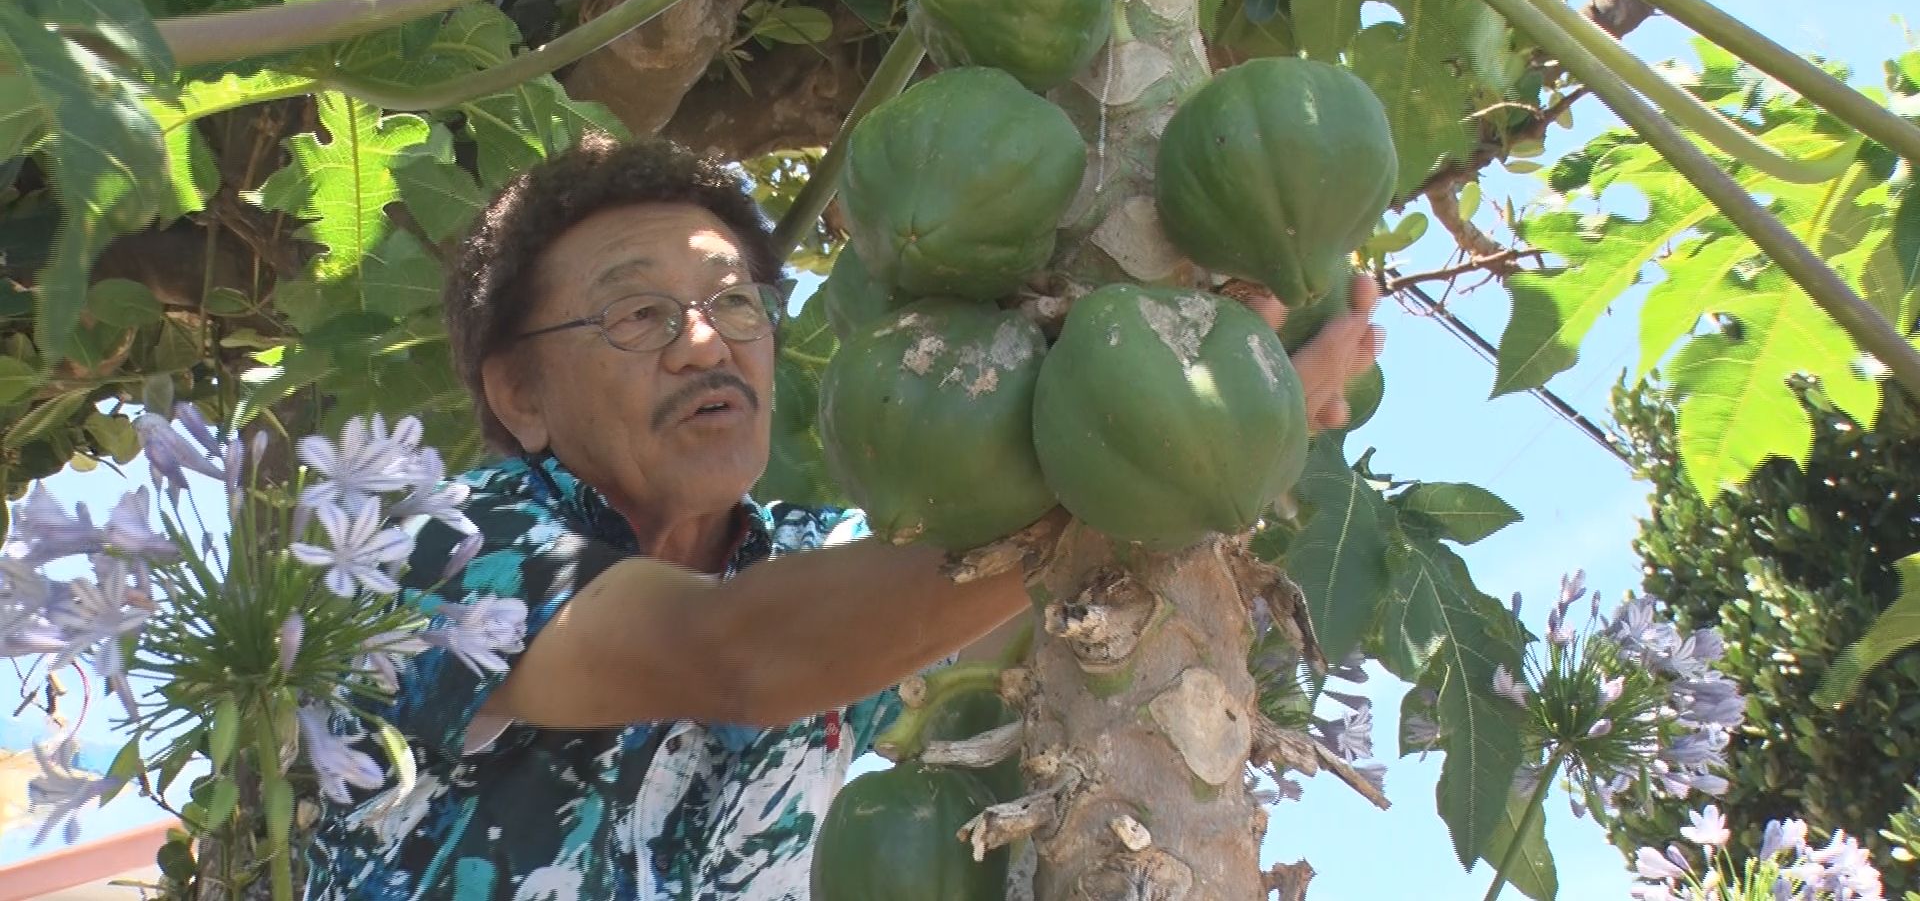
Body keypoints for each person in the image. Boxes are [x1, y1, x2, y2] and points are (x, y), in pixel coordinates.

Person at [306, 133, 1383, 900]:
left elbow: (1039, 599)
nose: (706, 342)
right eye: (639, 313)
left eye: (735, 303)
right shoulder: (435, 549)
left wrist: (1230, 435)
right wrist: (1154, 446)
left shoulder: (822, 568)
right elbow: (737, 654)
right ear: (519, 396)